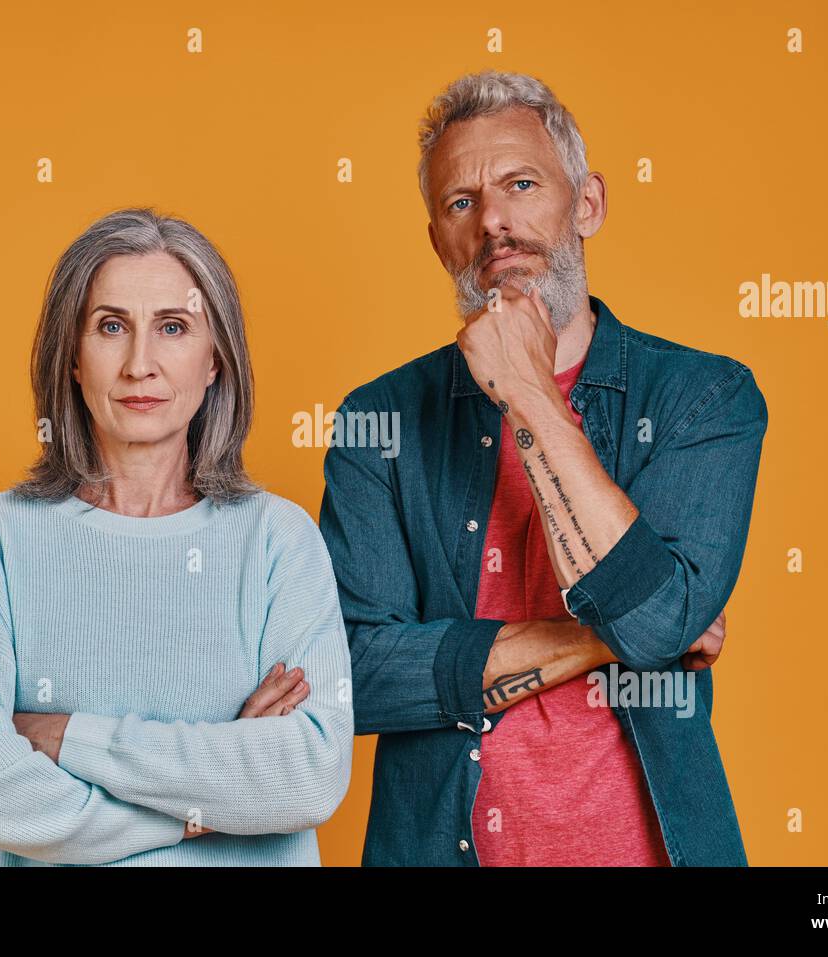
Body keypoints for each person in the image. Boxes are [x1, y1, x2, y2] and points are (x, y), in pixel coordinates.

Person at [318, 70, 767, 866]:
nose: (493, 220)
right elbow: (356, 676)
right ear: (438, 241)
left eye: (521, 184)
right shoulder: (376, 422)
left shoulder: (706, 397)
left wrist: (529, 394)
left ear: (586, 203)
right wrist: (601, 640)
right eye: (460, 202)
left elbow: (657, 623)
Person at [0, 208, 353, 865]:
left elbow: (308, 774)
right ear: (75, 361)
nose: (140, 363)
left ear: (214, 362)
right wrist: (199, 811)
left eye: (173, 327)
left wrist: (66, 737)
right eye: (111, 326)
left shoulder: (278, 540)